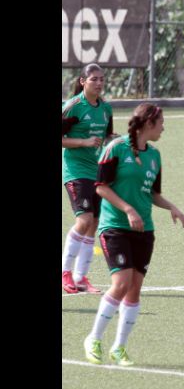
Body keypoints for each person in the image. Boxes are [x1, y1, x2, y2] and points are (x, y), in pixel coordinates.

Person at [83, 103, 184, 366]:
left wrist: (172, 207)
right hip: (114, 227)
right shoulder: (115, 148)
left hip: (144, 231)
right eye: (161, 122)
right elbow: (101, 187)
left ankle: (119, 348)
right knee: (121, 283)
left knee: (135, 290)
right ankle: (94, 338)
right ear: (148, 123)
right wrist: (129, 209)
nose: (164, 127)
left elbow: (152, 193)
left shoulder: (155, 156)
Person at [62, 63, 117, 294]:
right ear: (83, 81)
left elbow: (107, 135)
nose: (99, 83)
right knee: (84, 221)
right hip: (76, 170)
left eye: (102, 79)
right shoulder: (73, 106)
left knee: (93, 225)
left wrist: (118, 141)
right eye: (94, 79)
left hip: (96, 171)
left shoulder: (105, 108)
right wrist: (83, 142)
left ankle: (81, 277)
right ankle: (65, 272)